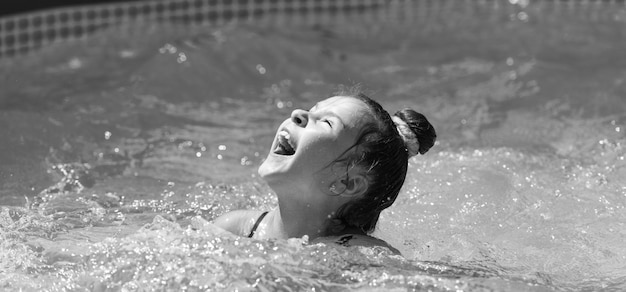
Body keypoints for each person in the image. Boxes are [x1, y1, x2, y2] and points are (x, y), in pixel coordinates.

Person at [213, 89, 436, 254]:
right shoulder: (234, 229)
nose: (298, 114)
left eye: (327, 123)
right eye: (312, 110)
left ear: (346, 182)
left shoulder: (362, 254)